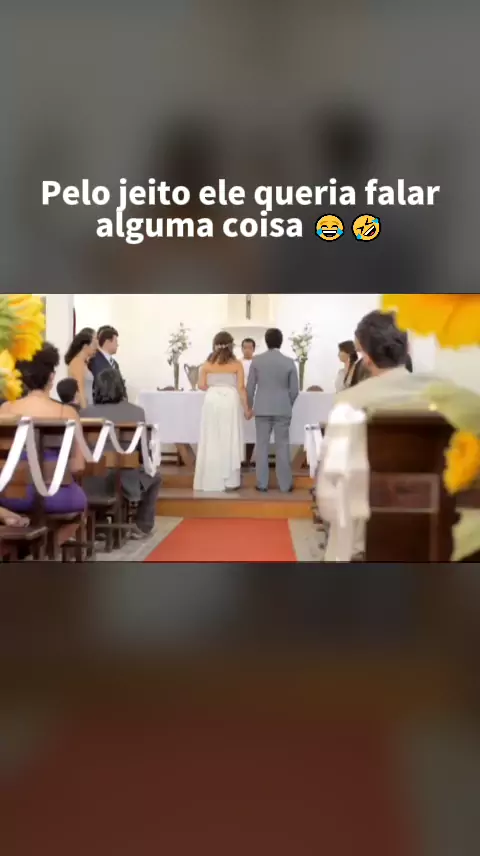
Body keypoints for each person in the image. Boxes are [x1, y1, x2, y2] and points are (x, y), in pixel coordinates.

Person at [323, 310, 417, 561]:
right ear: (408, 348)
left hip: (362, 532)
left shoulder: (350, 401)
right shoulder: (438, 397)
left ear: (365, 355)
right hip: (421, 525)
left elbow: (332, 478)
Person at [0, 343, 87, 545]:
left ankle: (18, 537)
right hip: (54, 494)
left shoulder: (5, 409)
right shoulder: (67, 413)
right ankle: (47, 549)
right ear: (51, 377)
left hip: (9, 493)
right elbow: (78, 466)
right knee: (81, 503)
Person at [80, 368, 161, 537]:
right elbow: (143, 451)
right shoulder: (136, 412)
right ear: (121, 387)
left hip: (90, 479)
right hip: (124, 480)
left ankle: (99, 524)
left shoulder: (85, 413)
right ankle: (142, 525)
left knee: (102, 465)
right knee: (155, 476)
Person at [194, 332, 249, 493]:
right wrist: (247, 409)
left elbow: (201, 385)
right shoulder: (237, 365)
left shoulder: (206, 365)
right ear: (231, 346)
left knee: (212, 437)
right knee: (229, 437)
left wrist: (215, 388)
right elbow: (241, 388)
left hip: (212, 400)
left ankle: (209, 478)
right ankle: (230, 481)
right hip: (230, 400)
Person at [247, 328, 299, 494]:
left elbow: (250, 387)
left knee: (261, 446)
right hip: (282, 408)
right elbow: (294, 390)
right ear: (281, 342)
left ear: (266, 341)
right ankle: (285, 485)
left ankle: (262, 483)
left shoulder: (257, 361)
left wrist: (249, 406)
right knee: (282, 446)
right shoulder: (289, 362)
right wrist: (287, 403)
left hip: (262, 408)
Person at [90, 326, 127, 399]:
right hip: (101, 402)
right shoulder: (94, 360)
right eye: (115, 342)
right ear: (107, 342)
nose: (117, 345)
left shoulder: (115, 363)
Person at [65, 328, 97, 408]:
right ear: (85, 346)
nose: (95, 348)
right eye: (93, 345)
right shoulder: (77, 363)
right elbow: (80, 390)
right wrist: (85, 411)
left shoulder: (83, 363)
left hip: (88, 406)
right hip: (83, 408)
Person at [241, 338, 256, 468]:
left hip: (254, 397)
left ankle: (248, 459)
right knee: (240, 429)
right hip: (240, 398)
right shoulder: (237, 363)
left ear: (254, 349)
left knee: (251, 430)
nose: (247, 350)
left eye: (249, 348)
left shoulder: (258, 363)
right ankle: (238, 458)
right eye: (245, 347)